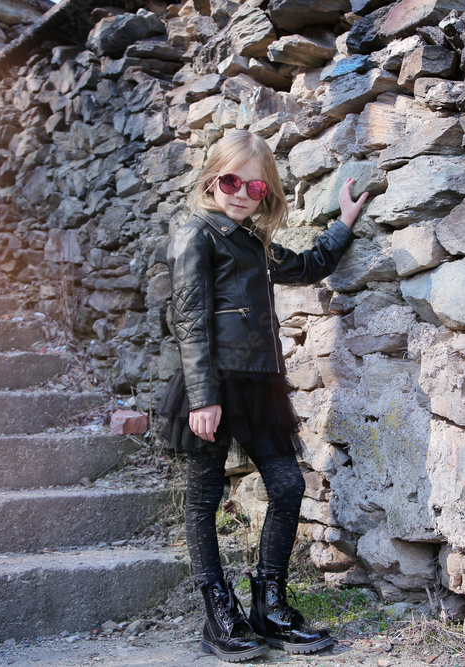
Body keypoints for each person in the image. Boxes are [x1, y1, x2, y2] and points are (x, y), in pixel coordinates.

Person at [157, 129, 368, 662]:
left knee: (288, 484)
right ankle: (217, 614)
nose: (241, 193)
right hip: (215, 386)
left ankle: (269, 604)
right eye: (231, 181)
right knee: (204, 500)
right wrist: (204, 397)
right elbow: (187, 321)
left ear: (266, 194)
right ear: (212, 179)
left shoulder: (255, 243)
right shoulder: (194, 235)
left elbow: (310, 265)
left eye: (254, 187)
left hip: (259, 385)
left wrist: (343, 223)